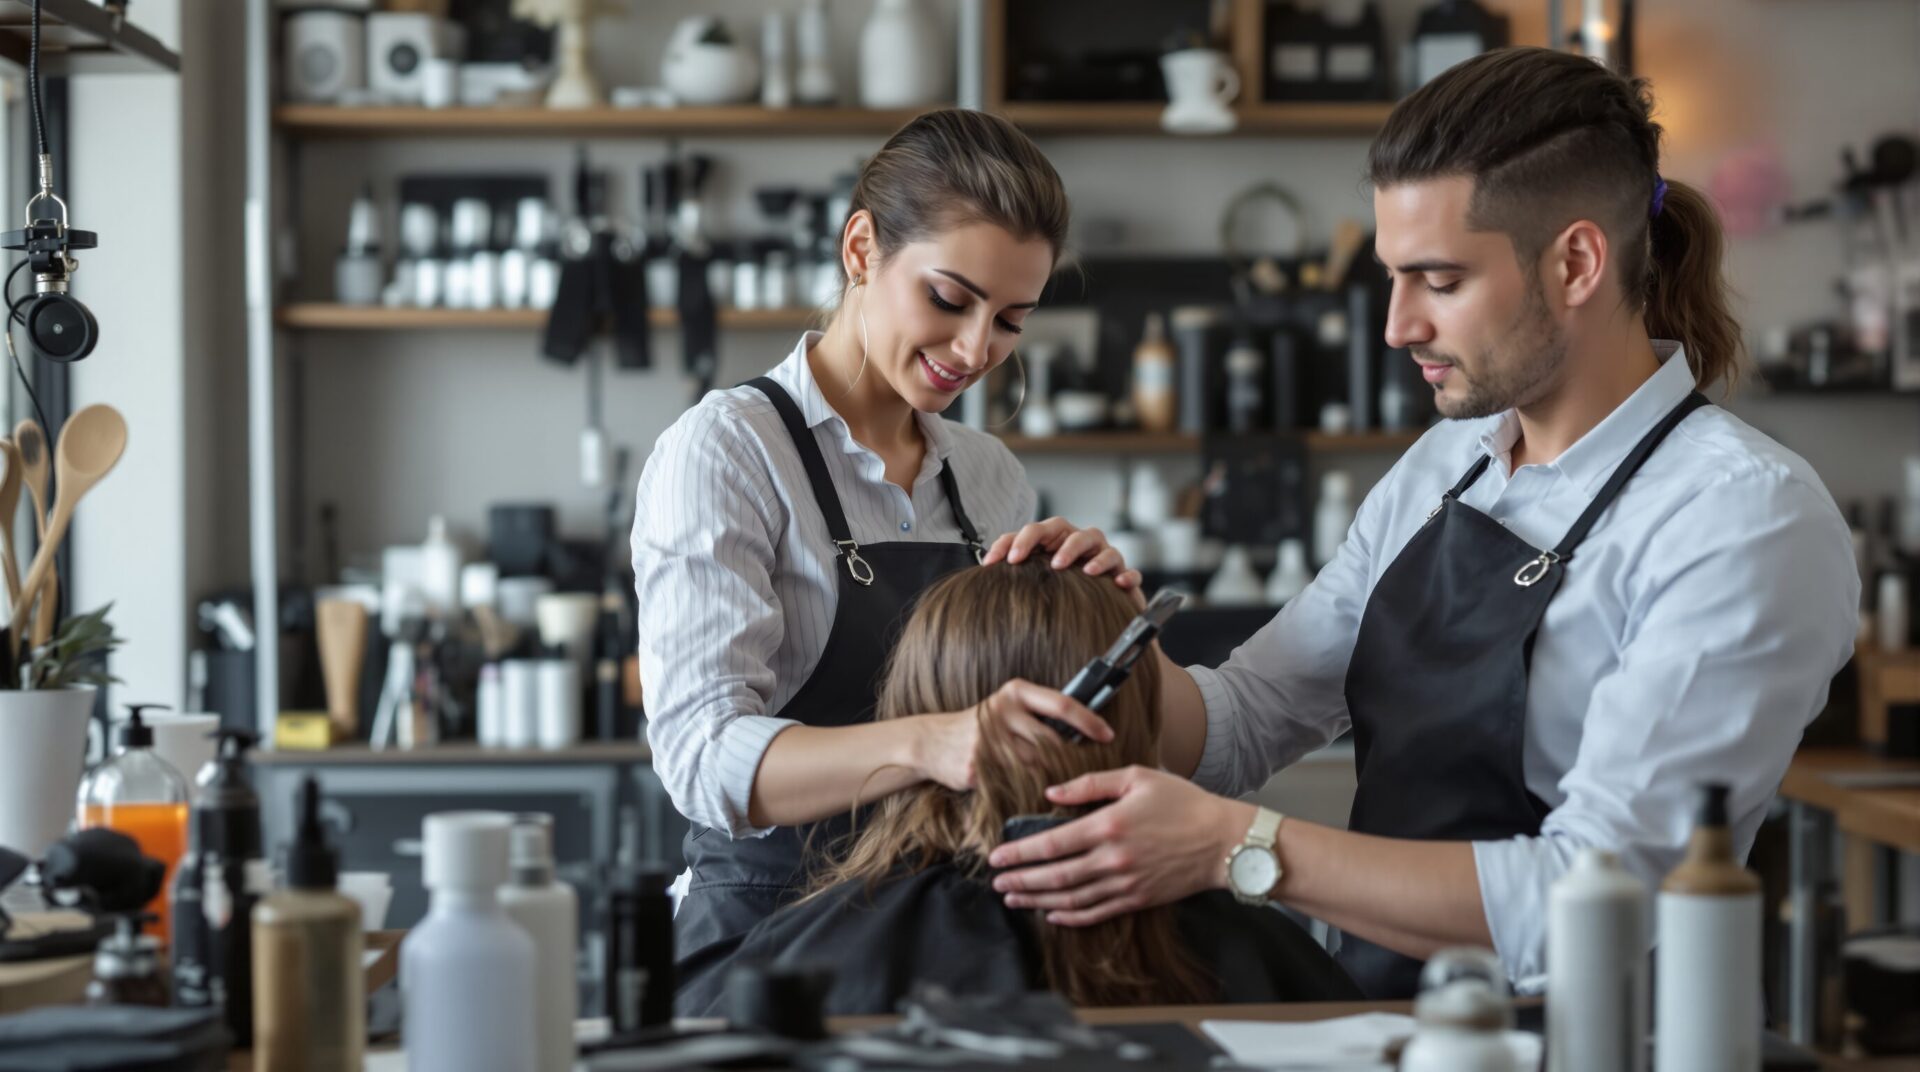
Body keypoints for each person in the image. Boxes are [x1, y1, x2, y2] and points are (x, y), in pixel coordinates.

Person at [983, 47, 1862, 998]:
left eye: (1438, 281)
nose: (1397, 324)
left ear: (1576, 262)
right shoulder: (1451, 463)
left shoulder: (1740, 518)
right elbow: (1251, 717)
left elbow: (1598, 897)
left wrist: (1237, 846)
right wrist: (1111, 634)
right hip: (1384, 1021)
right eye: (1393, 277)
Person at [631, 109, 1139, 1002]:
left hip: (938, 937)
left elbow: (1013, 740)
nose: (977, 349)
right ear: (862, 248)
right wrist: (934, 744)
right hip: (765, 949)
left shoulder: (987, 477)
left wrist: (1094, 621)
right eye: (949, 299)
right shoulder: (730, 451)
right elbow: (703, 760)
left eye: (1012, 319)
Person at [677, 560, 1361, 1015]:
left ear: (915, 702)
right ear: (1137, 715)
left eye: (1005, 326)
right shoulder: (1253, 956)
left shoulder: (815, 957)